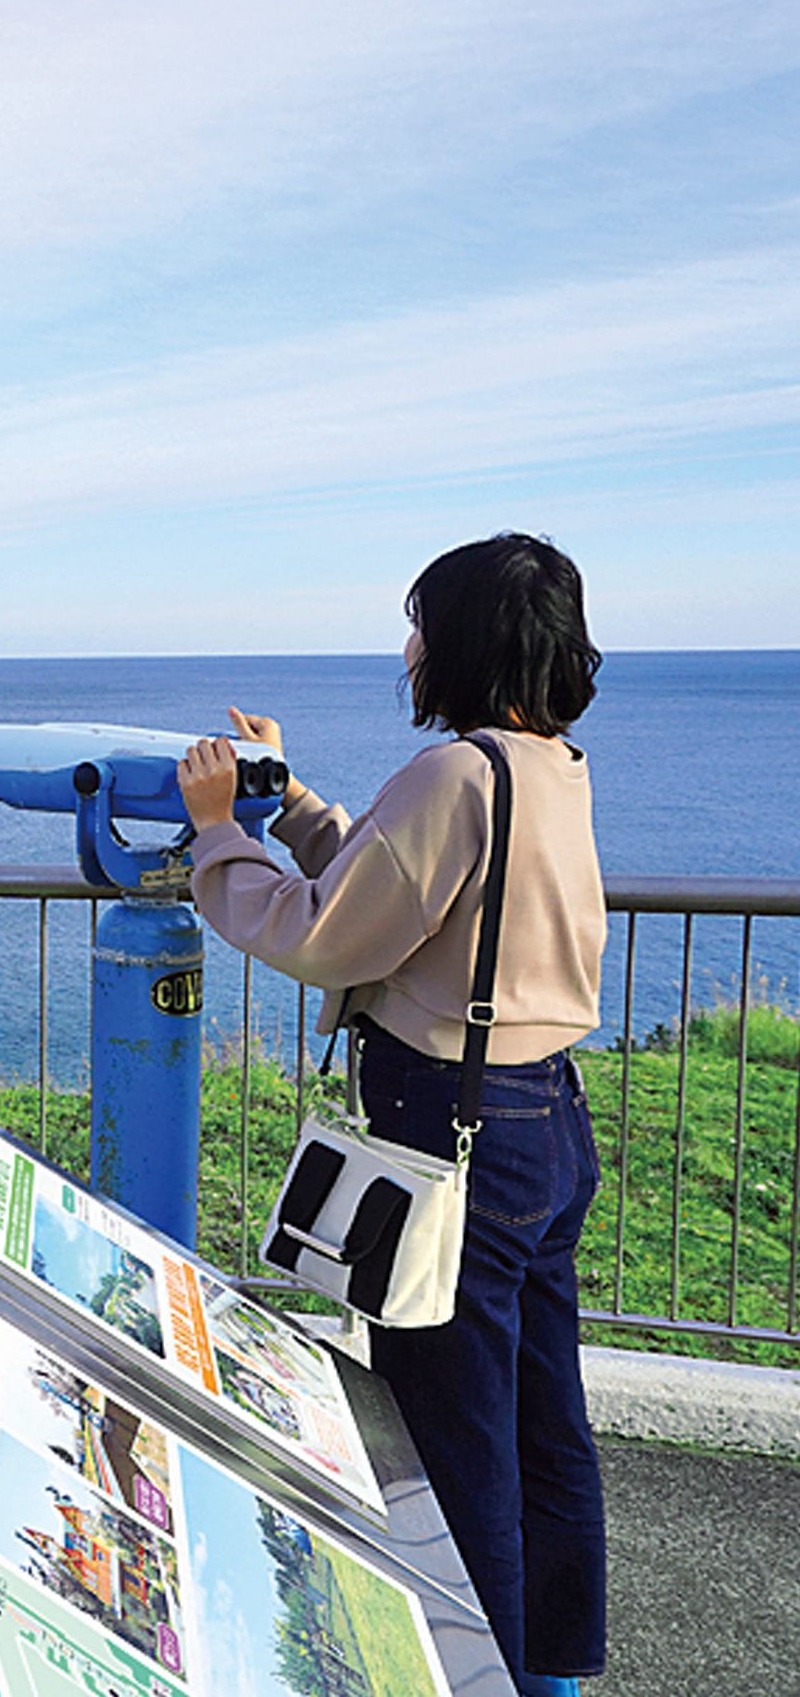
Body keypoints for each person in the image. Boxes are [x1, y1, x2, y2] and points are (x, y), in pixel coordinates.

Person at [174, 532, 607, 1697]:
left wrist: (218, 832)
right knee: (539, 1424)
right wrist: (292, 795)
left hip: (452, 1132)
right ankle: (552, 1670)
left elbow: (318, 933)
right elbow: (385, 886)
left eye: (418, 623)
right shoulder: (541, 766)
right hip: (546, 1125)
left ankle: (479, 1678)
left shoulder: (452, 776)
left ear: (460, 641)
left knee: (453, 1446)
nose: (405, 647)